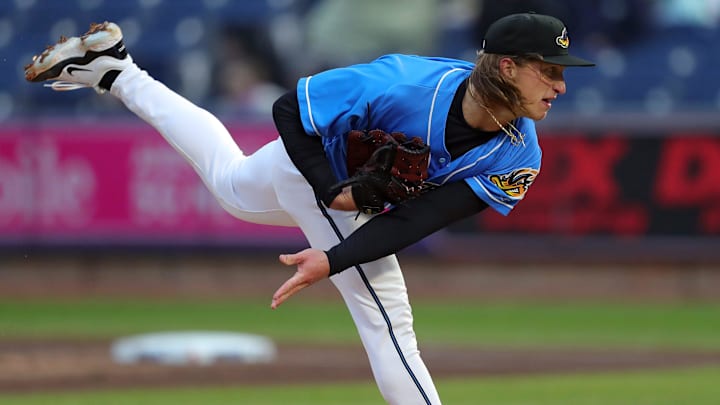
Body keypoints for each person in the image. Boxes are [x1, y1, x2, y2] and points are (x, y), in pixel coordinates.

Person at [25, 13, 594, 405]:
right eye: (550, 70)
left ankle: (118, 71)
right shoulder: (400, 83)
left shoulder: (520, 152)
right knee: (388, 318)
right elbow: (288, 109)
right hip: (314, 164)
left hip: (333, 187)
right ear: (505, 66)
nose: (561, 86)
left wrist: (335, 257)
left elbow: (420, 219)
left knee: (230, 185)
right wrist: (332, 195)